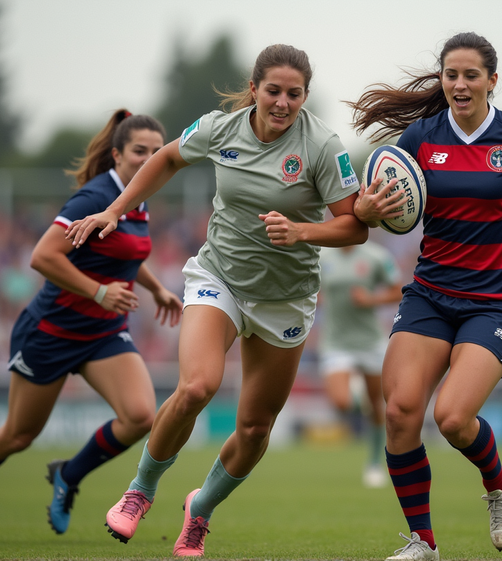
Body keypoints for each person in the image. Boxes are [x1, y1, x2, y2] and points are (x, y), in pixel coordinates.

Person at [65, 44, 368, 557]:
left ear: (305, 97)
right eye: (272, 90)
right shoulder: (220, 129)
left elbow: (354, 226)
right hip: (219, 277)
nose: (282, 102)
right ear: (253, 89)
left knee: (254, 428)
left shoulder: (322, 145)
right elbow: (165, 159)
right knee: (197, 386)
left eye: (294, 94)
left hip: (286, 300)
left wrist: (301, 232)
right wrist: (115, 209)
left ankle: (199, 509)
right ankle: (140, 490)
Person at [349, 32, 502, 560]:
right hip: (431, 295)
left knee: (453, 418)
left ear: (491, 81)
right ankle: (423, 543)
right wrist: (367, 212)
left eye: (470, 75)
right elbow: (383, 215)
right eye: (451, 75)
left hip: (495, 302)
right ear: (443, 80)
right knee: (399, 413)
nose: (459, 84)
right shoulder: (419, 139)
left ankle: (499, 482)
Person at [0, 110, 183, 541]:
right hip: (51, 333)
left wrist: (157, 288)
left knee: (141, 415)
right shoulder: (92, 198)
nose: (148, 160)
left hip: (104, 332)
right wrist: (99, 292)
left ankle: (68, 475)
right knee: (18, 436)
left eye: (154, 152)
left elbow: (123, 253)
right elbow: (42, 257)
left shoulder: (138, 198)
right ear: (116, 155)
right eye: (138, 152)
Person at [318, 242, 403, 488]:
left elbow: (399, 290)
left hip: (370, 342)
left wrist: (371, 299)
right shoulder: (322, 254)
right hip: (336, 341)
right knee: (341, 402)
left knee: (378, 406)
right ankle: (356, 393)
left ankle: (374, 464)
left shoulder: (377, 255)